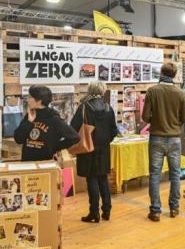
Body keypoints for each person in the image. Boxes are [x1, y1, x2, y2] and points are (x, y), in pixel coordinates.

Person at [142, 63, 185, 221]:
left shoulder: (152, 91)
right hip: (175, 138)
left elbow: (145, 117)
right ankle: (174, 208)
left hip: (156, 137)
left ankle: (155, 210)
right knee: (175, 174)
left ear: (162, 73)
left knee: (155, 175)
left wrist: (157, 119)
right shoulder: (180, 93)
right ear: (174, 75)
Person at [70, 81, 117, 223]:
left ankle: (94, 212)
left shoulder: (84, 107)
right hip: (104, 149)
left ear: (90, 91)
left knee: (91, 179)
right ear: (102, 91)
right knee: (103, 178)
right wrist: (105, 140)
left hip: (87, 148)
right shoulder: (108, 108)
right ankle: (107, 211)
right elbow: (114, 130)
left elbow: (73, 127)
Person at [15, 85, 79, 162]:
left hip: (46, 163)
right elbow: (18, 139)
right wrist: (29, 122)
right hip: (27, 163)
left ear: (39, 101)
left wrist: (54, 147)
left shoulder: (54, 119)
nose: (27, 100)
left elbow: (75, 137)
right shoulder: (30, 114)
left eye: (30, 97)